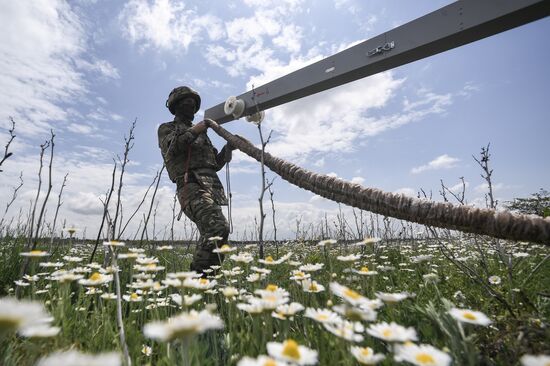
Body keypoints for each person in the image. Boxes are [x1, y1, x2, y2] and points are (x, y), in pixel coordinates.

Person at [158, 86, 234, 275]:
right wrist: (197, 129)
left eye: (193, 104)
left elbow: (213, 164)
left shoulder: (203, 134)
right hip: (190, 185)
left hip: (210, 186)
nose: (190, 107)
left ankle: (208, 279)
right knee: (218, 226)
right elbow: (173, 149)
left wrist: (228, 150)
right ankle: (200, 278)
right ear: (175, 106)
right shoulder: (168, 128)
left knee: (216, 231)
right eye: (186, 103)